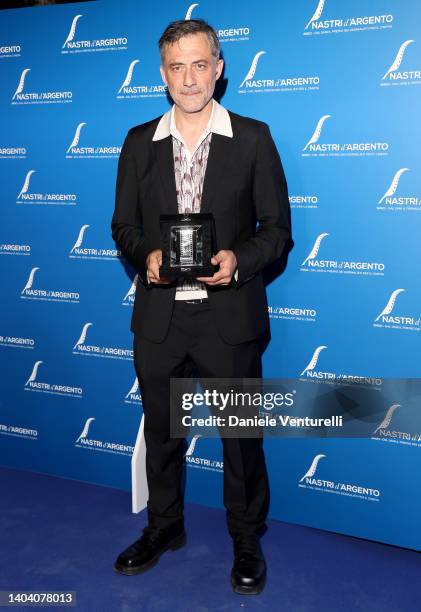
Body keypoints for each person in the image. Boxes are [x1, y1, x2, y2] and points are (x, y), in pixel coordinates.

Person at [111, 18, 290, 595]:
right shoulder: (139, 141)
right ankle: (164, 528)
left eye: (199, 64)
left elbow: (279, 231)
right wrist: (149, 255)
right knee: (162, 431)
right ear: (163, 76)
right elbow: (123, 226)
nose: (189, 78)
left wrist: (239, 258)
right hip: (161, 317)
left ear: (218, 69)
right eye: (176, 67)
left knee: (240, 437)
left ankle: (245, 537)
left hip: (229, 314)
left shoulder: (255, 137)